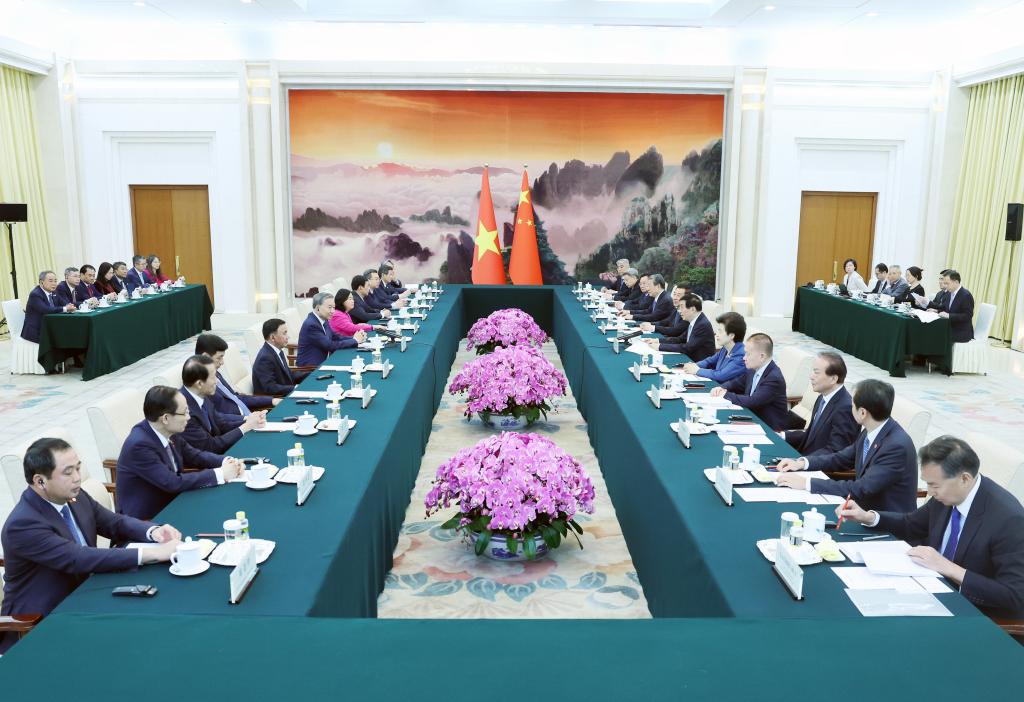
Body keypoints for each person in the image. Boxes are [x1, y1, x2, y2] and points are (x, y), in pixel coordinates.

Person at [1, 437, 181, 653]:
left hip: (86, 593)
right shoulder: (23, 524)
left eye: (78, 468)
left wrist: (153, 531)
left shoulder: (74, 496)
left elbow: (113, 522)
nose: (77, 478)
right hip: (42, 621)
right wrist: (154, 554)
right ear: (40, 481)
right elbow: (78, 558)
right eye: (68, 472)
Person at [838, 436, 1024, 618]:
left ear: (965, 479)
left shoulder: (1009, 520)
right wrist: (868, 517)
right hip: (928, 588)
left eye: (934, 485)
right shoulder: (947, 495)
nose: (930, 492)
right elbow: (911, 524)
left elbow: (1014, 595)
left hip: (974, 611)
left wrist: (949, 568)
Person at [775, 379, 918, 513]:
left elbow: (862, 488)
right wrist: (802, 463)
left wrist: (807, 483)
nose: (850, 407)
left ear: (862, 413)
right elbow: (842, 458)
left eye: (853, 404)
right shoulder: (872, 429)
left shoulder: (896, 447)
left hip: (885, 521)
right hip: (861, 510)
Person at [116, 386, 243, 521]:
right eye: (184, 413)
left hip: (176, 501)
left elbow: (195, 455)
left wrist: (227, 461)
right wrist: (220, 473)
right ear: (165, 418)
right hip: (149, 519)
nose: (188, 417)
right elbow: (172, 482)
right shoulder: (139, 445)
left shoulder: (167, 429)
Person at [180, 355, 266, 453]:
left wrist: (250, 420)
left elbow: (220, 423)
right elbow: (211, 446)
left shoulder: (200, 394)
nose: (217, 381)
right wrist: (245, 427)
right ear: (199, 384)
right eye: (213, 377)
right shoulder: (183, 410)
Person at [783, 352, 859, 457]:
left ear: (833, 379)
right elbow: (812, 436)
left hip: (815, 463)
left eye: (816, 372)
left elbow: (835, 451)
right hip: (803, 457)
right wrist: (783, 435)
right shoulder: (822, 397)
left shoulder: (846, 408)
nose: (811, 376)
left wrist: (803, 462)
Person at [710, 332, 789, 431]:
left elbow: (753, 401)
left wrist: (725, 395)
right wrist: (722, 387)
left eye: (748, 354)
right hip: (752, 419)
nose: (744, 358)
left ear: (762, 356)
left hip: (769, 429)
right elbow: (736, 383)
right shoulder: (753, 369)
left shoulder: (773, 378)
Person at [194, 333, 279, 417]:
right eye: (219, 357)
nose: (222, 362)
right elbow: (217, 418)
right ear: (205, 356)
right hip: (240, 422)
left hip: (250, 416)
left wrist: (271, 400)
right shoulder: (200, 384)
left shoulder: (215, 373)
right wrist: (246, 419)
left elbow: (235, 397)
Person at [298, 292, 365, 366]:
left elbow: (336, 337)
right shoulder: (311, 325)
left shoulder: (324, 319)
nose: (333, 311)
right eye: (329, 307)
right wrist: (354, 341)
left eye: (333, 307)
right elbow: (330, 345)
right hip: (312, 368)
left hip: (325, 361)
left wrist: (354, 337)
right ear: (318, 308)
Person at [682, 311, 747, 384]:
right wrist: (694, 365)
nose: (716, 334)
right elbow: (709, 361)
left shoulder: (741, 355)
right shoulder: (725, 348)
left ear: (731, 335)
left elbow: (721, 375)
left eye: (720, 331)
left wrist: (697, 370)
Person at [649, 294, 715, 361]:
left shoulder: (702, 324)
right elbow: (680, 339)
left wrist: (660, 346)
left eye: (682, 307)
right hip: (690, 358)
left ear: (692, 309)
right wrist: (657, 340)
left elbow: (687, 348)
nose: (679, 311)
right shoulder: (695, 321)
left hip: (698, 363)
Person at [252, 318, 307, 395]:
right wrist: (296, 388)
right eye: (284, 333)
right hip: (277, 399)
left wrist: (311, 375)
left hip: (285, 392)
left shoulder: (277, 350)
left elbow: (288, 375)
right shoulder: (265, 358)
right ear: (272, 337)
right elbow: (270, 388)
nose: (288, 337)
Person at [21, 270, 75, 344]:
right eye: (50, 281)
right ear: (41, 282)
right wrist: (65, 308)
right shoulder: (35, 294)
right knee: (65, 335)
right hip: (36, 331)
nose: (54, 283)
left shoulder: (54, 292)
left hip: (50, 326)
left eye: (55, 281)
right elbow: (46, 309)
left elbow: (63, 302)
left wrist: (70, 306)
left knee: (71, 331)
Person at [937, 269, 975, 343]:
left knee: (936, 334)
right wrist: (936, 310)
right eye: (944, 283)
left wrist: (949, 316)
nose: (945, 286)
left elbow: (967, 316)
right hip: (950, 327)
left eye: (947, 283)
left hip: (961, 331)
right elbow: (944, 307)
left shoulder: (966, 295)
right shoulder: (949, 293)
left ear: (956, 282)